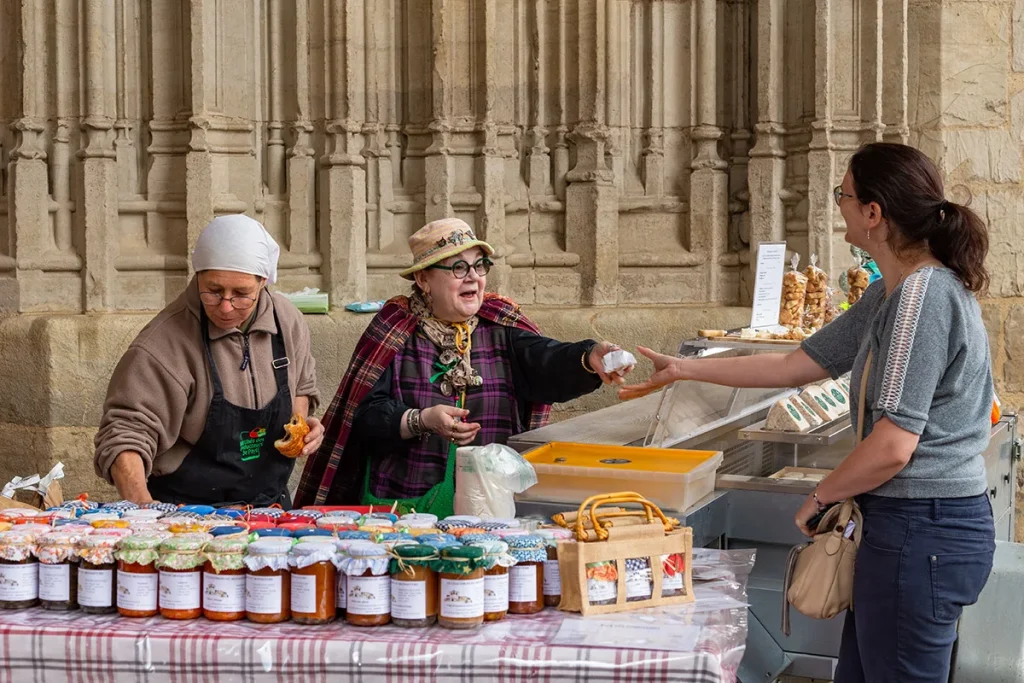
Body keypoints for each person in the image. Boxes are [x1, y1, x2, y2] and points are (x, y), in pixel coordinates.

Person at [621, 143, 994, 682]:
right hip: (906, 527)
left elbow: (893, 445)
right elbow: (800, 364)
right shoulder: (891, 291)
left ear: (874, 213)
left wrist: (821, 496)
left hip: (922, 529)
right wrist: (687, 369)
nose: (837, 206)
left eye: (843, 195)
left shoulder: (923, 296)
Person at [296, 218, 632, 514]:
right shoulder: (395, 332)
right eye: (458, 268)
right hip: (407, 509)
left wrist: (588, 358)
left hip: (489, 506)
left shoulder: (502, 329)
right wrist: (420, 420)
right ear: (424, 280)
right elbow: (365, 416)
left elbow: (547, 361)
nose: (473, 277)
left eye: (479, 265)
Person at [94, 215, 325, 507]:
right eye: (213, 291)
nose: (226, 306)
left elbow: (302, 383)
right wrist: (144, 512)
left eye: (241, 294)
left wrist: (301, 426)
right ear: (198, 276)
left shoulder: (287, 320)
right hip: (189, 511)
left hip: (269, 508)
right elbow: (125, 436)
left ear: (263, 282)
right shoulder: (162, 343)